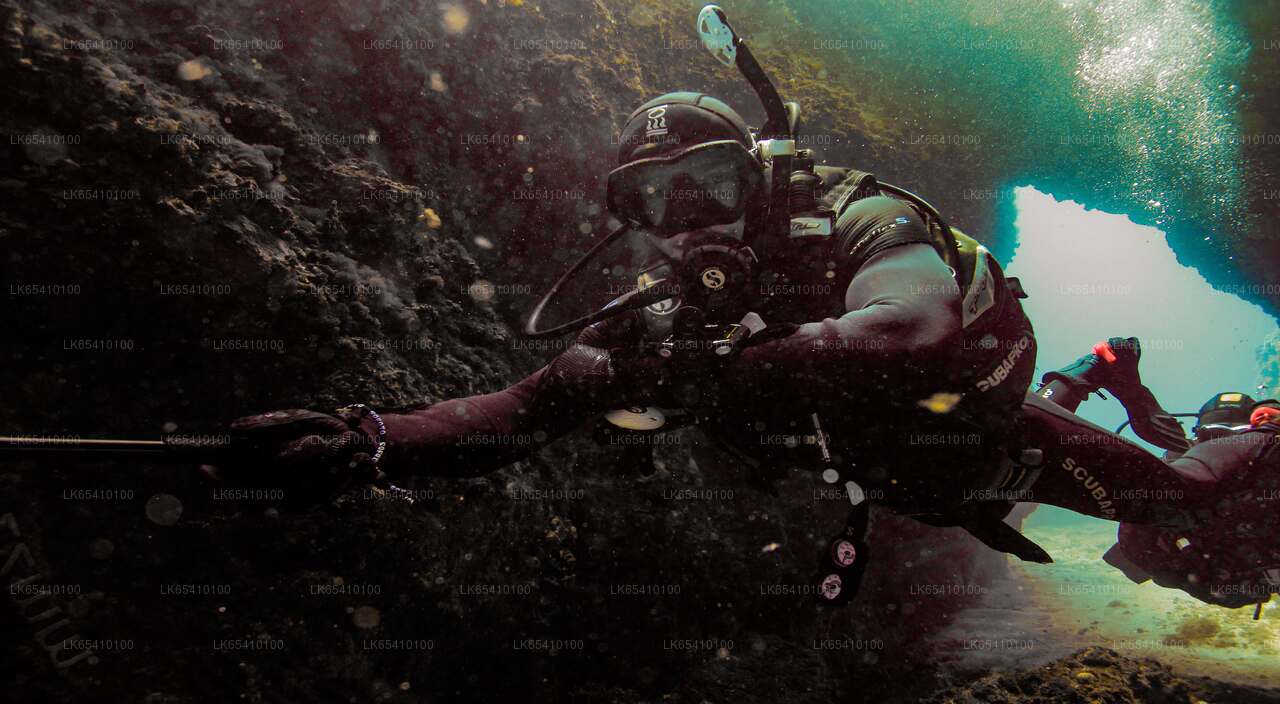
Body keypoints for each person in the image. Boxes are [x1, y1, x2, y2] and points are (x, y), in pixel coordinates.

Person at [206, 92, 1044, 601]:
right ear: (630, 221)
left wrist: (727, 368)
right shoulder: (652, 320)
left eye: (709, 186)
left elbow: (914, 323)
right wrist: (369, 440)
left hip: (987, 432)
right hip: (876, 474)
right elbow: (515, 415)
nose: (689, 222)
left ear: (755, 182)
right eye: (652, 200)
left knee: (1163, 507)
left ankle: (1089, 384)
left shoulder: (855, 221)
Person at [1031, 337, 1280, 609]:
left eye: (1272, 418)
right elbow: (1160, 430)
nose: (1264, 420)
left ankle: (1035, 419)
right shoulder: (1194, 462)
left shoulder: (1257, 456)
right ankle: (1039, 415)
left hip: (1213, 569)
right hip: (1199, 564)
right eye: (1260, 418)